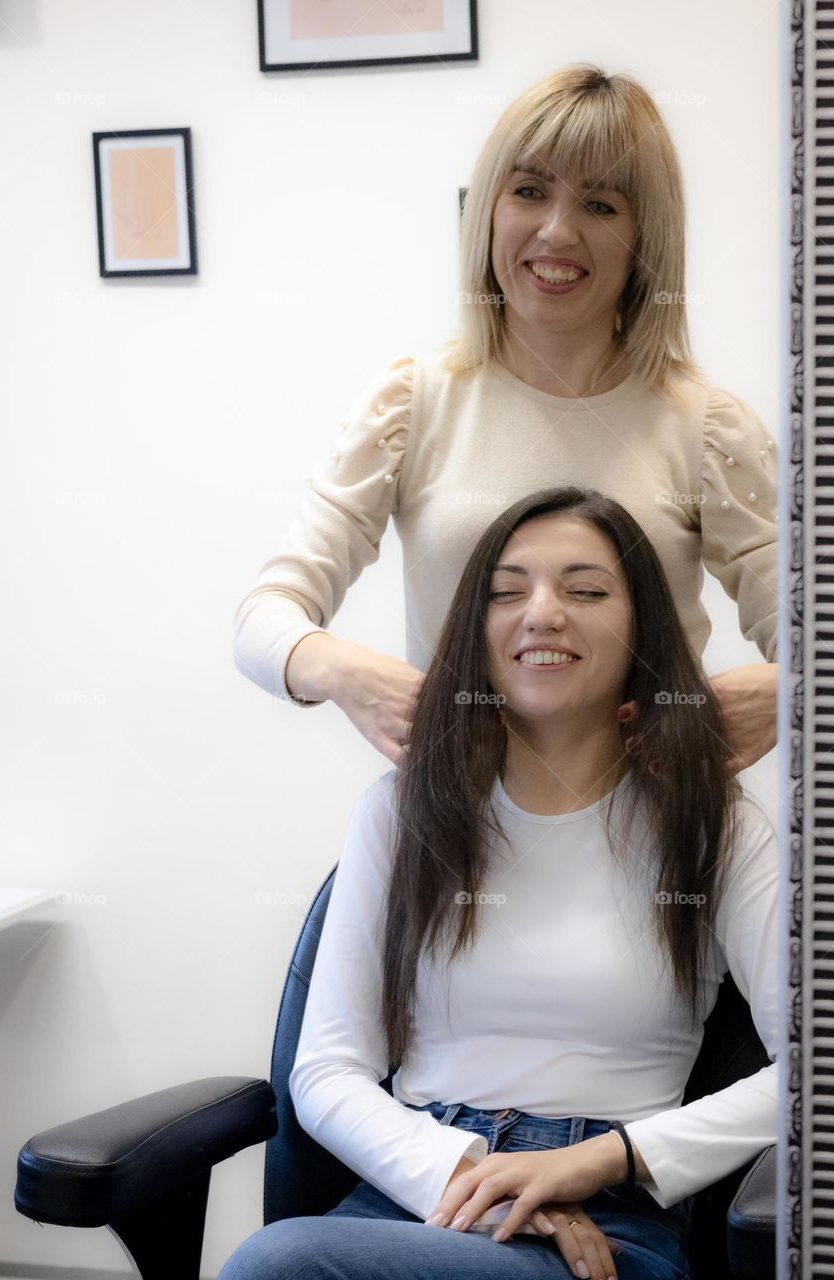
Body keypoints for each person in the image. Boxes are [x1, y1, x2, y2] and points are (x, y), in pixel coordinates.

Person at [218, 487, 778, 1280]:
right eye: (506, 592)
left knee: (280, 1266)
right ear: (474, 634)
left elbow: (809, 1072)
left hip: (607, 1218)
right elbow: (327, 1071)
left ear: (641, 628)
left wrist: (592, 1164)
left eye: (584, 590)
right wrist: (468, 1175)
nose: (542, 612)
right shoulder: (401, 812)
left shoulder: (713, 824)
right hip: (411, 1197)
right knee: (291, 1261)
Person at [232, 64, 779, 777]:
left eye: (601, 205)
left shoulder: (707, 428)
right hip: (456, 836)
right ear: (487, 210)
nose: (556, 232)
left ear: (646, 238)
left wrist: (787, 691)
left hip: (656, 841)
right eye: (527, 191)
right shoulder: (413, 403)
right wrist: (343, 675)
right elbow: (262, 619)